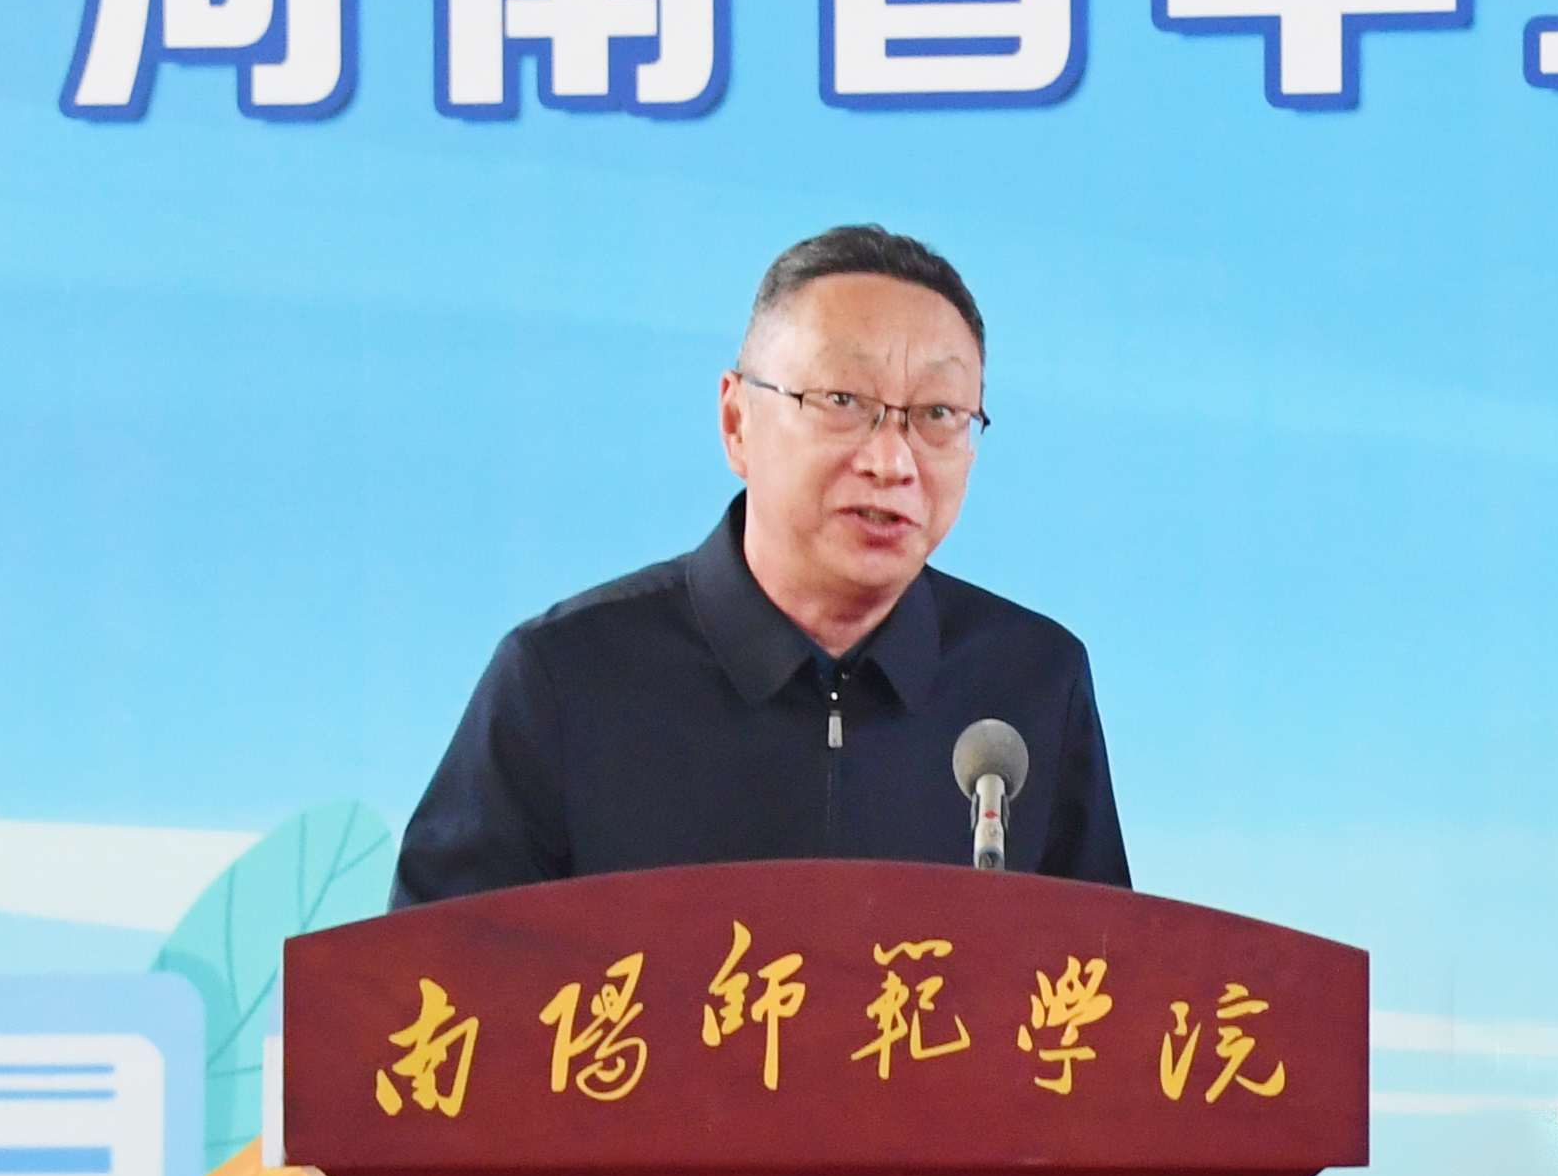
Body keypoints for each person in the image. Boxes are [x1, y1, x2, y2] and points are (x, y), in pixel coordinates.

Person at [392, 223, 1127, 904]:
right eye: (843, 399)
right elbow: (428, 984)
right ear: (736, 421)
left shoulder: (1032, 683)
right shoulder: (565, 677)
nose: (892, 461)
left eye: (938, 414)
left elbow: (1108, 979)